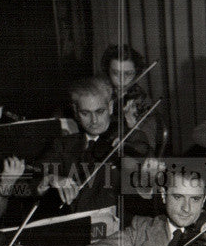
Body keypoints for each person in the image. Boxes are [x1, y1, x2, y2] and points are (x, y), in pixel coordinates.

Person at [37, 76, 151, 213]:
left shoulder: (132, 139)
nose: (94, 120)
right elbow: (33, 176)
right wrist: (50, 178)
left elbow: (147, 188)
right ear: (75, 111)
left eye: (99, 111)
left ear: (110, 107)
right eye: (85, 113)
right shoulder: (63, 145)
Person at [101, 44, 150, 132]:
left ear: (136, 73)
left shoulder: (142, 100)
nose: (122, 79)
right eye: (116, 73)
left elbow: (147, 141)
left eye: (128, 74)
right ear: (108, 71)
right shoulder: (99, 93)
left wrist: (132, 123)